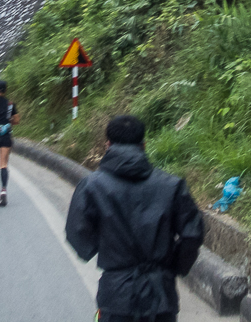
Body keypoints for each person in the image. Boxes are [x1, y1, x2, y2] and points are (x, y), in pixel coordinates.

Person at [65, 115, 204, 322]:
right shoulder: (172, 185)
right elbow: (192, 234)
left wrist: (101, 247)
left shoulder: (92, 186)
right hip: (161, 297)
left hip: (116, 297)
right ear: (144, 145)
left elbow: (77, 234)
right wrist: (172, 267)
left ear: (108, 145)